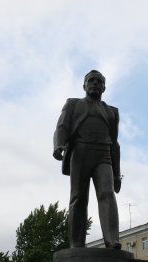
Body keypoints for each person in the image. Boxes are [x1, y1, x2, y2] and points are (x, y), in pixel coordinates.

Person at [53, 70, 122, 249]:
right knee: (78, 197)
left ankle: (112, 240)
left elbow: (114, 144)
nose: (95, 84)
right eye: (91, 81)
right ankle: (76, 243)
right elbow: (62, 127)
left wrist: (117, 175)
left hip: (103, 155)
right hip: (80, 152)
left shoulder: (111, 112)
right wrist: (59, 145)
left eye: (99, 82)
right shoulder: (74, 105)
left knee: (107, 194)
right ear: (84, 86)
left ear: (104, 87)